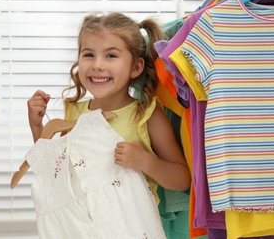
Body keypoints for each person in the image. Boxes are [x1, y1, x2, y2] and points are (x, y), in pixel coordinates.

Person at [27, 12, 190, 197]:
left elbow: (182, 180)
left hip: (131, 224)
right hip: (82, 223)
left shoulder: (147, 115)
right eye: (88, 54)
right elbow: (55, 171)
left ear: (136, 67)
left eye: (111, 55)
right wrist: (36, 126)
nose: (97, 65)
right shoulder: (75, 112)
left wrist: (146, 162)